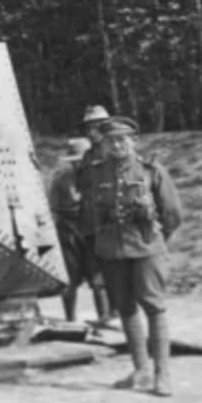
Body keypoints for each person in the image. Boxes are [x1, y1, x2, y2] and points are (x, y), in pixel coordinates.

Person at [79, 117, 183, 396]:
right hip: (112, 251)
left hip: (147, 249)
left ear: (133, 140)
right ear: (104, 144)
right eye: (111, 140)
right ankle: (141, 370)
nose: (117, 144)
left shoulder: (151, 170)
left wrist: (157, 240)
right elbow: (88, 215)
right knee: (125, 307)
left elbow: (172, 213)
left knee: (154, 307)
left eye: (122, 139)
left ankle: (163, 375)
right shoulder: (95, 173)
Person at [49, 138, 109, 322]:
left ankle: (104, 317)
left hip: (92, 228)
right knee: (70, 277)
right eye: (75, 160)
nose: (79, 163)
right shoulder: (60, 179)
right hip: (68, 229)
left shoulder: (99, 176)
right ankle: (70, 319)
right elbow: (52, 204)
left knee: (97, 278)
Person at [74, 105, 115, 321]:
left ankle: (118, 314)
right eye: (88, 127)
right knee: (96, 275)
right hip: (90, 223)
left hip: (110, 222)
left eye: (96, 127)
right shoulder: (87, 156)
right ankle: (104, 316)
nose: (91, 132)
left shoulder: (113, 151)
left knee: (115, 272)